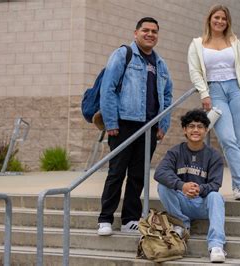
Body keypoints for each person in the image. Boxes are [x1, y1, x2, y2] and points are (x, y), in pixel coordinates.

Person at [97, 17, 173, 236]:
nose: (150, 34)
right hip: (123, 125)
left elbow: (167, 96)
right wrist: (111, 121)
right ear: (136, 33)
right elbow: (108, 88)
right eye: (146, 30)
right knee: (117, 172)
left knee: (138, 175)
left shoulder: (160, 63)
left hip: (149, 128)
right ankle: (105, 218)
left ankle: (130, 218)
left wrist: (163, 124)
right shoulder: (123, 55)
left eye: (154, 31)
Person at [187, 5, 240, 201]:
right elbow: (195, 72)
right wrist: (204, 93)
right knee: (227, 139)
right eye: (216, 17)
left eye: (224, 19)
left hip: (238, 90)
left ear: (228, 22)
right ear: (210, 19)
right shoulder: (197, 44)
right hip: (215, 92)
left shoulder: (235, 42)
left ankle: (238, 187)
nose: (220, 21)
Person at [154, 109, 227, 263]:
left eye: (200, 127)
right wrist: (182, 186)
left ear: (206, 130)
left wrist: (199, 189)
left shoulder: (214, 156)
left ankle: (216, 245)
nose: (195, 130)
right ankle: (182, 224)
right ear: (185, 130)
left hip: (202, 203)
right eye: (191, 126)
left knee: (216, 196)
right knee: (162, 186)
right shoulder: (175, 152)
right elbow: (159, 173)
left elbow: (215, 184)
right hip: (182, 201)